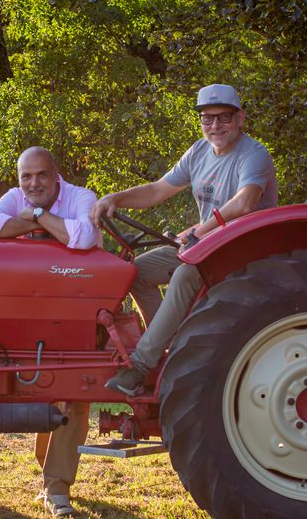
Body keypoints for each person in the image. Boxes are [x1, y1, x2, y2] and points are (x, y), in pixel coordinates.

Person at [91, 84, 279, 397]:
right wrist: (115, 198)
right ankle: (176, 345)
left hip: (243, 250)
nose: (215, 126)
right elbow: (156, 191)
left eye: (224, 118)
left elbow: (246, 202)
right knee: (136, 272)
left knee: (184, 275)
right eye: (208, 119)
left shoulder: (254, 155)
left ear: (240, 118)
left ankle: (139, 367)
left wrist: (202, 230)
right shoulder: (198, 152)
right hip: (208, 244)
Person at [0, 146, 99, 519]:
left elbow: (83, 236)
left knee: (73, 389)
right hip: (33, 308)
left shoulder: (81, 197)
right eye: (26, 176)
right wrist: (42, 223)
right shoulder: (16, 197)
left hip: (80, 306)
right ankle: (47, 472)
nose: (33, 183)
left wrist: (36, 217)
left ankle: (56, 489)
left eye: (41, 175)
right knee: (44, 388)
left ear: (56, 174)